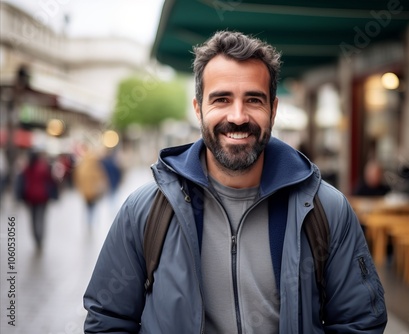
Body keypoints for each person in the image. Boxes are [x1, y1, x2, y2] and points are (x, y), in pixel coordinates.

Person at [83, 30, 387, 333]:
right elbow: (107, 320)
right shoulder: (146, 211)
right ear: (198, 109)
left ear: (274, 109)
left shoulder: (327, 210)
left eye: (253, 99)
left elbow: (360, 323)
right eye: (222, 99)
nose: (238, 116)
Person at [19, 150, 56, 250]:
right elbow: (51, 179)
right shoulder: (42, 167)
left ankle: (36, 237)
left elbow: (22, 180)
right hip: (42, 197)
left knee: (33, 219)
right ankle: (40, 238)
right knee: (41, 218)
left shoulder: (27, 167)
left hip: (30, 197)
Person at [73, 146, 108, 226]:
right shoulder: (97, 168)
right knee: (93, 208)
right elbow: (102, 178)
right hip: (94, 192)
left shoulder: (82, 167)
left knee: (87, 208)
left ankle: (88, 222)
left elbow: (77, 179)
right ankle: (91, 222)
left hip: (85, 193)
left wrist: (80, 189)